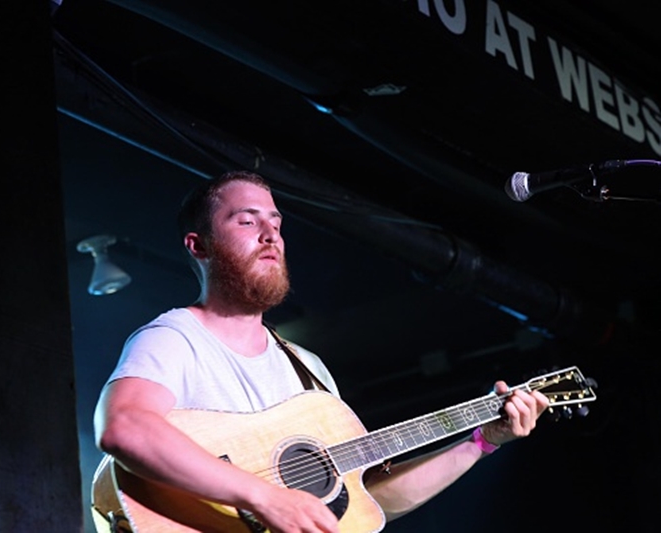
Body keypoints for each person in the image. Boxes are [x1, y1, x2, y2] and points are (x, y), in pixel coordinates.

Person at [93, 170, 549, 532]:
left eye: (276, 223)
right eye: (247, 221)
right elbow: (124, 427)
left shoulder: (307, 370)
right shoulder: (175, 337)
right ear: (200, 246)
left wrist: (482, 442)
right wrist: (265, 496)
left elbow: (369, 504)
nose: (270, 235)